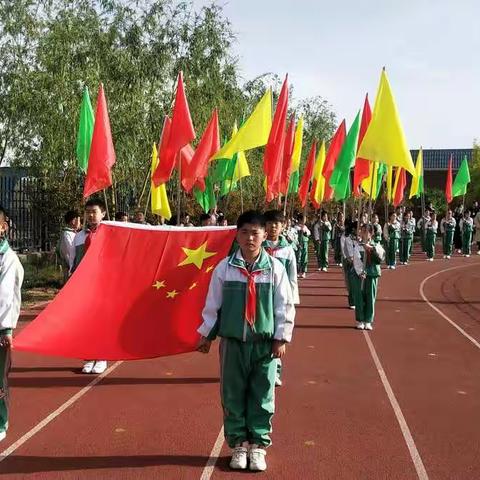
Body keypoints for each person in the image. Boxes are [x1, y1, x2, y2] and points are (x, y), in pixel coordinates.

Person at [197, 210, 295, 472]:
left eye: (255, 232)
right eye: (244, 232)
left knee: (262, 394)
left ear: (264, 235)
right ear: (237, 235)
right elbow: (212, 305)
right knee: (232, 394)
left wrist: (281, 337)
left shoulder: (274, 269)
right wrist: (207, 333)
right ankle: (239, 444)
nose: (250, 237)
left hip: (263, 345)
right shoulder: (225, 269)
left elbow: (283, 306)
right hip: (232, 344)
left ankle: (258, 445)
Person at [263, 210, 299, 387]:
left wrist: (292, 299)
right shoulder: (258, 246)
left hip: (280, 297)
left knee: (278, 335)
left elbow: (292, 276)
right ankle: (261, 368)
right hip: (261, 297)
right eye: (269, 223)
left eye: (277, 223)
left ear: (283, 226)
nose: (273, 227)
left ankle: (275, 371)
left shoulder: (287, 250)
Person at [72, 198, 108, 374]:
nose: (91, 215)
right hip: (83, 286)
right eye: (88, 212)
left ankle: (101, 357)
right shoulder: (79, 236)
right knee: (84, 323)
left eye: (94, 212)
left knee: (100, 323)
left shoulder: (110, 234)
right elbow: (74, 260)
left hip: (103, 286)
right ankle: (88, 357)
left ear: (103, 213)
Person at [0, 206, 24, 442]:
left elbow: (7, 295)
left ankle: (1, 423)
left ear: (3, 227)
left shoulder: (8, 259)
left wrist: (6, 328)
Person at [351, 223, 385, 330]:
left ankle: (368, 320)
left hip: (372, 274)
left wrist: (371, 248)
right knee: (359, 297)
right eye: (362, 231)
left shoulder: (377, 245)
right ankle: (360, 319)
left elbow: (380, 258)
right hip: (360, 275)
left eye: (366, 231)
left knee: (370, 297)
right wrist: (361, 272)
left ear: (371, 233)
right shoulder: (358, 245)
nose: (364, 234)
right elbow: (356, 260)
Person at [57, 210, 81, 283]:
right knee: (68, 280)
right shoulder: (67, 234)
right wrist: (73, 265)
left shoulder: (73, 233)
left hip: (71, 261)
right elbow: (70, 250)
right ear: (73, 221)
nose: (80, 223)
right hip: (69, 262)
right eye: (79, 221)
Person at [340, 220, 357, 310]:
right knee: (350, 281)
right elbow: (344, 249)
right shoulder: (346, 237)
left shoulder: (359, 237)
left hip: (358, 262)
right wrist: (349, 258)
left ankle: (357, 299)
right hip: (349, 262)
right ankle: (352, 300)